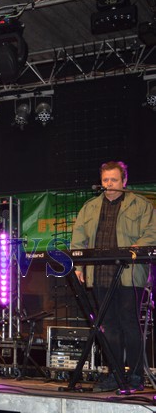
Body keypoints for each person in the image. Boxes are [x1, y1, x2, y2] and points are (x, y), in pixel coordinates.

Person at [71, 161, 156, 392]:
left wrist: (137, 247)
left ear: (124, 181)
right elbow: (78, 238)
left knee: (129, 322)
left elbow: (152, 232)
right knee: (109, 326)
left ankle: (136, 377)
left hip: (130, 273)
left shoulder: (140, 204)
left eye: (114, 180)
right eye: (105, 180)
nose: (109, 184)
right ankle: (115, 375)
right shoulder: (90, 207)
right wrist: (78, 266)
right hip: (100, 274)